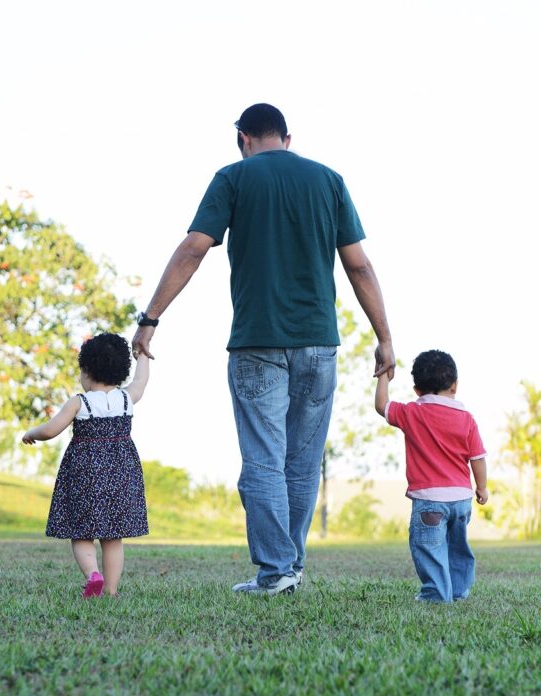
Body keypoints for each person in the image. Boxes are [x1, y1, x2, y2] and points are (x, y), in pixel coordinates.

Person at [132, 103, 394, 595]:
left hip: (257, 343)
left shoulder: (233, 178)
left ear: (242, 138)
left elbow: (193, 248)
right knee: (301, 462)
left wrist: (150, 319)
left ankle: (277, 571)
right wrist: (384, 337)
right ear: (287, 138)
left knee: (264, 461)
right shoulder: (328, 180)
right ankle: (288, 567)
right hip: (319, 345)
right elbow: (358, 265)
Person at [22, 333, 150, 598]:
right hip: (120, 472)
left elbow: (51, 430)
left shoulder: (80, 402)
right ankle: (112, 591)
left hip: (85, 474)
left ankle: (93, 574)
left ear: (87, 371)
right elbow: (141, 381)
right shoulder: (127, 398)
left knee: (81, 532)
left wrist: (31, 433)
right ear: (120, 371)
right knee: (113, 536)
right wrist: (142, 356)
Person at [375, 349, 488, 603]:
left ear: (417, 389)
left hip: (429, 501)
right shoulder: (466, 419)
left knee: (429, 548)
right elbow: (478, 457)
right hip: (461, 500)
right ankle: (457, 591)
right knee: (457, 548)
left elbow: (382, 405)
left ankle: (437, 595)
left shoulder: (412, 412)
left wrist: (383, 374)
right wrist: (482, 488)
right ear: (455, 385)